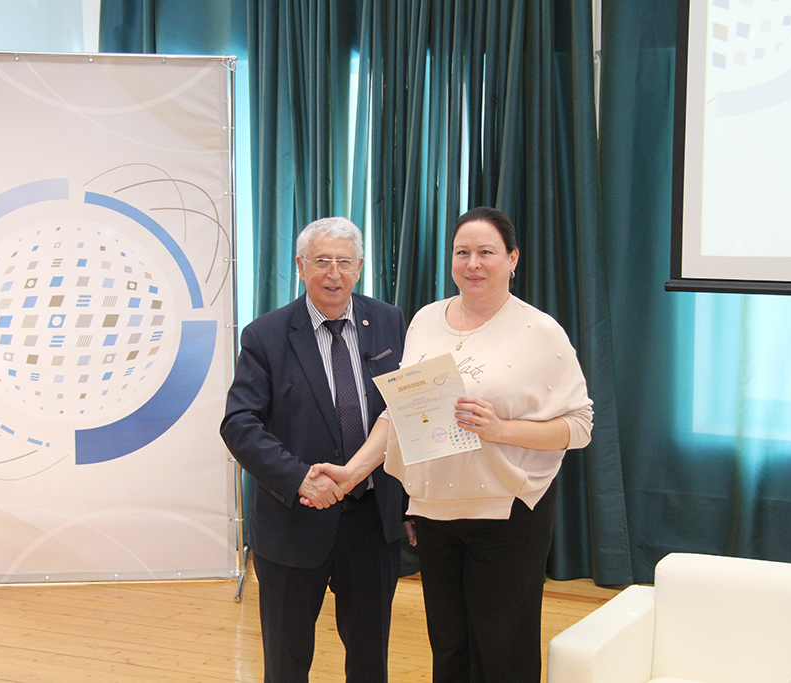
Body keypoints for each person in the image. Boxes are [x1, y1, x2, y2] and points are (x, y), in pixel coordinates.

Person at [305, 206, 594, 683]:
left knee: (503, 652)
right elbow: (399, 413)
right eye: (462, 252)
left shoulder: (540, 331)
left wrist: (500, 429)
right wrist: (351, 473)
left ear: (512, 259)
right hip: (435, 514)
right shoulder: (424, 320)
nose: (473, 264)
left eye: (486, 252)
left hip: (506, 514)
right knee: (449, 649)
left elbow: (579, 426)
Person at [220, 217, 406, 683]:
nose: (334, 273)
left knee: (370, 662)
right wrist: (299, 478)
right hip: (294, 521)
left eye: (345, 262)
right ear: (301, 267)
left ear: (360, 267)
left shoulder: (389, 321)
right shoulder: (266, 335)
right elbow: (239, 424)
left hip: (371, 521)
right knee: (286, 664)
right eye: (322, 261)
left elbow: (407, 410)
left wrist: (410, 505)